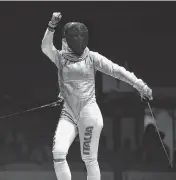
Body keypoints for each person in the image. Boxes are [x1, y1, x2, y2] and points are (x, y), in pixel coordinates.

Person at [41, 12, 153, 180]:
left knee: (89, 158)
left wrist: (141, 86)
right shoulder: (60, 58)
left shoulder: (91, 58)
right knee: (58, 152)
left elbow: (117, 71)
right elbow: (45, 47)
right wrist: (51, 26)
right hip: (68, 113)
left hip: (88, 113)